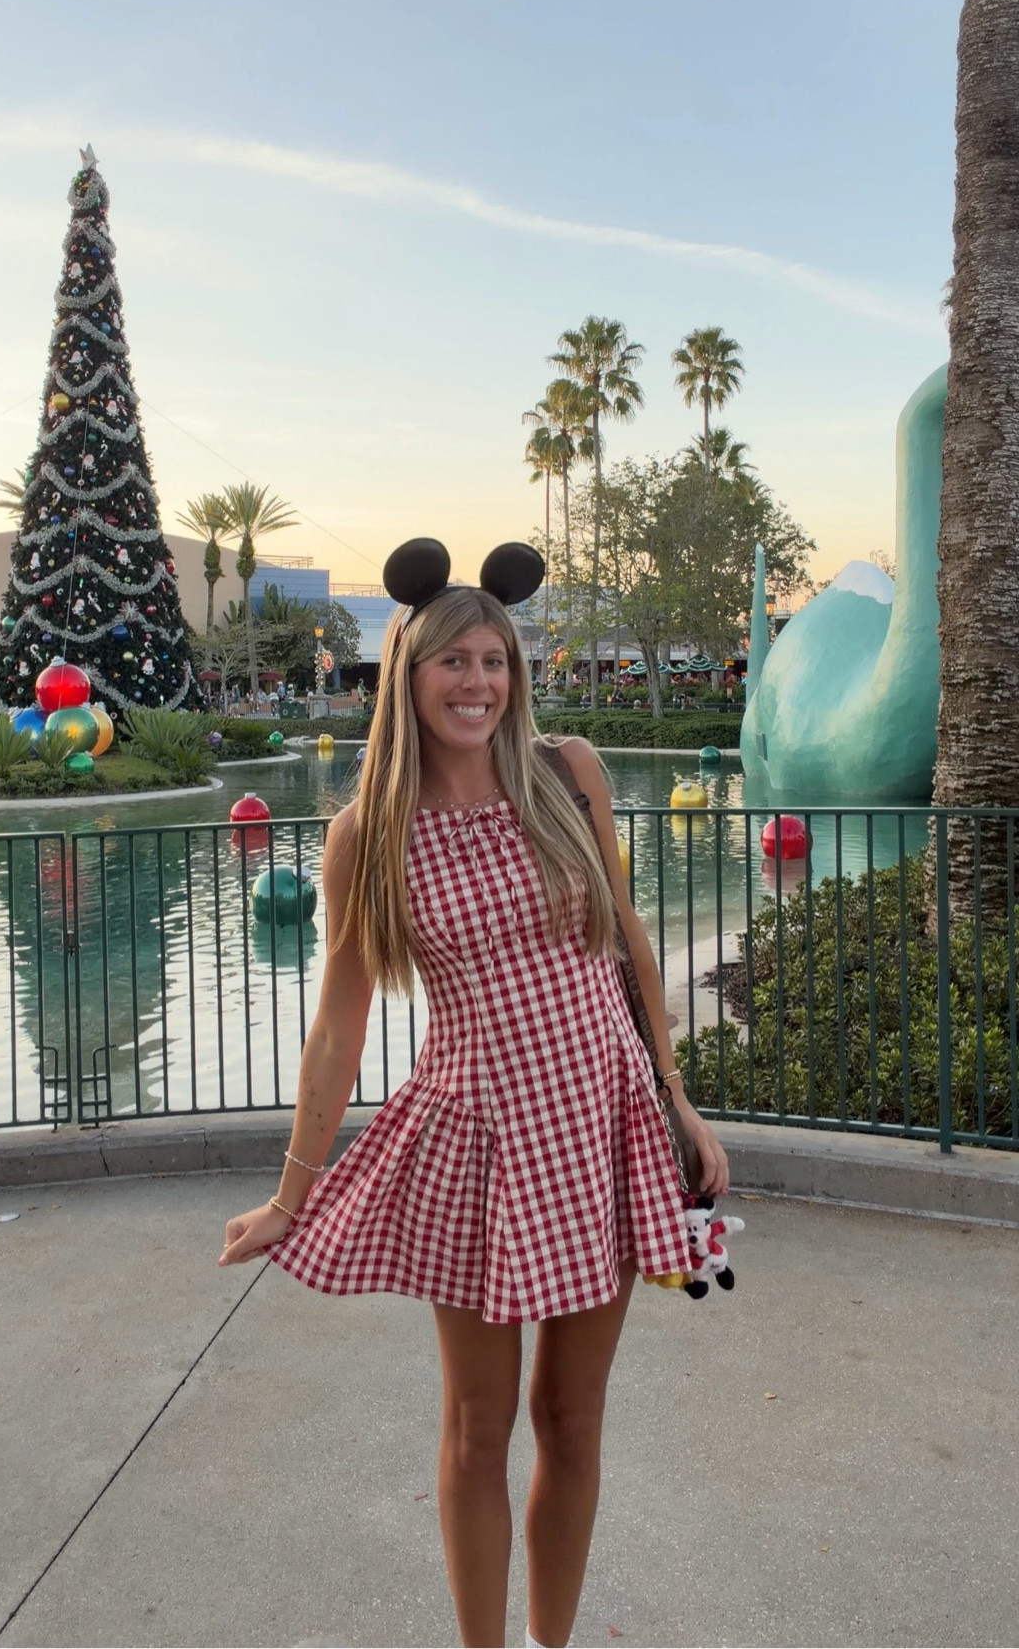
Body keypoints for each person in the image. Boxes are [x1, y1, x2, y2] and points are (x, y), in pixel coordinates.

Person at [219, 538, 728, 1649]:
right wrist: (290, 1193)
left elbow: (626, 944)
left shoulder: (569, 772)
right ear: (407, 672)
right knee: (476, 1426)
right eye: (454, 660)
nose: (478, 682)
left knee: (574, 1415)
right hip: (480, 1139)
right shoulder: (370, 834)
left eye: (495, 659)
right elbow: (340, 1023)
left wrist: (676, 1097)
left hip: (604, 1121)